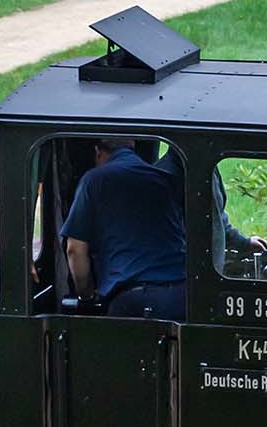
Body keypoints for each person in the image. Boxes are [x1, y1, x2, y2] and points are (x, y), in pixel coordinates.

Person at [62, 133, 187, 318]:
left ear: (98, 152)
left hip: (130, 299)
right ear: (132, 147)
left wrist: (86, 295)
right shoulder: (163, 179)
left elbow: (75, 249)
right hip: (179, 295)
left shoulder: (93, 180)